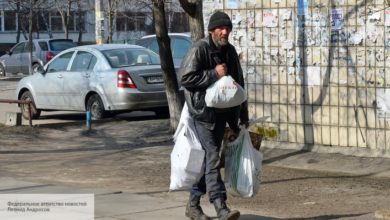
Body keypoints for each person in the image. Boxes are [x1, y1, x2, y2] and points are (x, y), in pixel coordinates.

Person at [179, 11, 249, 220]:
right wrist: (213, 74)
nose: (225, 32)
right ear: (212, 30)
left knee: (208, 161)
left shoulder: (231, 51)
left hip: (223, 115)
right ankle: (221, 207)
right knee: (212, 157)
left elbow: (239, 85)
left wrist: (242, 116)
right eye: (221, 28)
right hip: (202, 114)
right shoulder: (200, 49)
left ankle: (192, 205)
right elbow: (185, 78)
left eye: (227, 28)